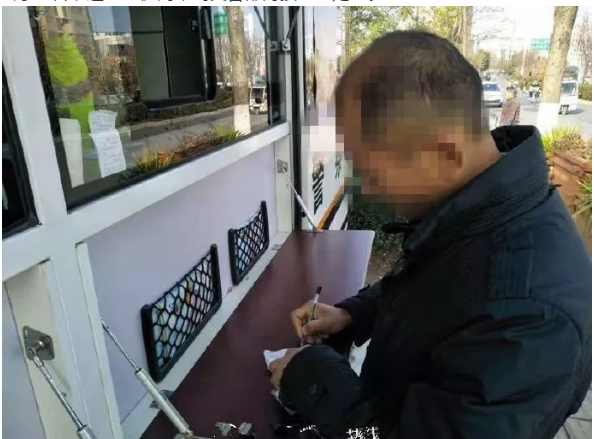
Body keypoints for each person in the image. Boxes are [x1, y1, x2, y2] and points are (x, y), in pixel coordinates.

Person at [268, 31, 591, 439]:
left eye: (371, 169)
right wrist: (355, 314)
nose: (366, 187)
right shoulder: (481, 210)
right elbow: (435, 286)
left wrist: (312, 376)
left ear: (445, 153)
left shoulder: (527, 315)